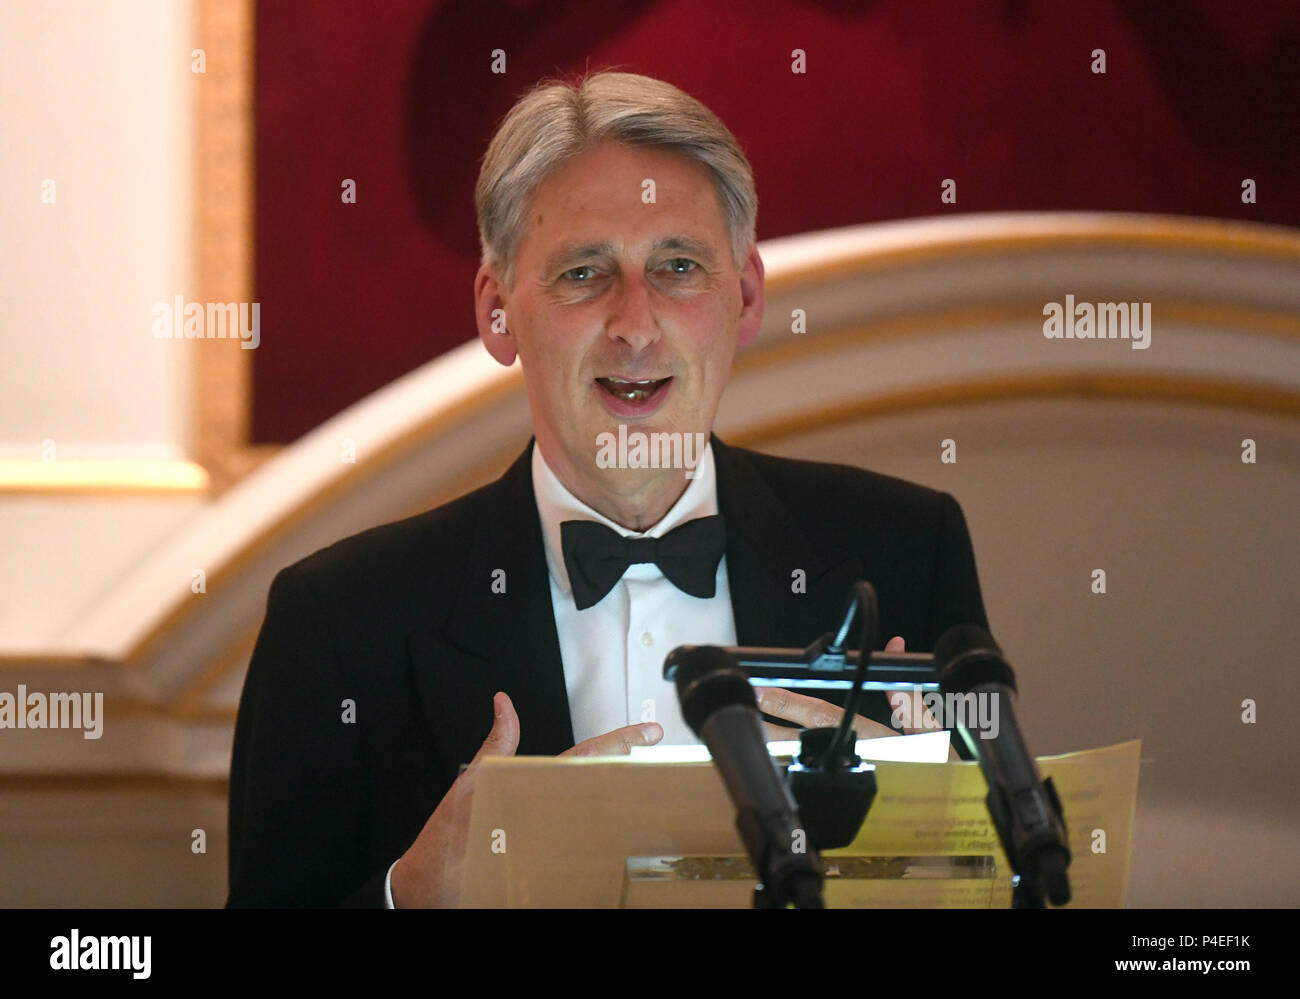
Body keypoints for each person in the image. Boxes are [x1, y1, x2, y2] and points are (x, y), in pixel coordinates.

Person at [226, 70, 989, 908]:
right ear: (496, 311)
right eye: (584, 273)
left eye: (679, 266)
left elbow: (1010, 876)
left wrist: (936, 841)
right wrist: (408, 898)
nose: (634, 324)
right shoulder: (337, 622)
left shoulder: (908, 553)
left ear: (745, 296)